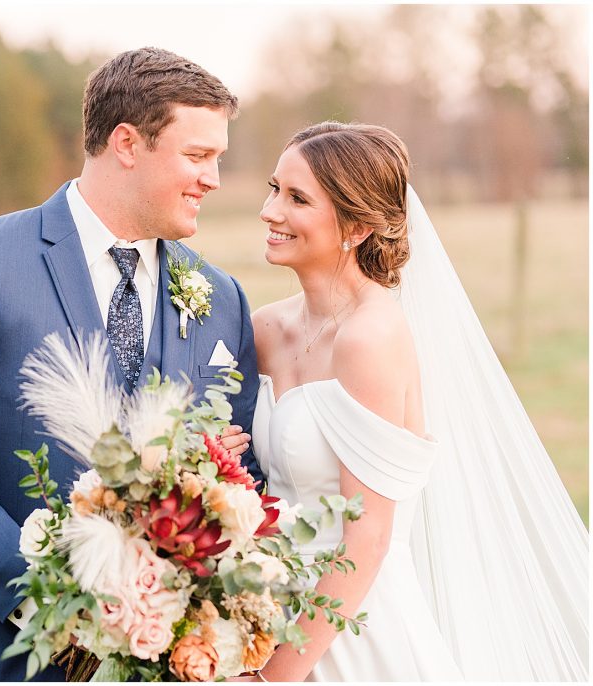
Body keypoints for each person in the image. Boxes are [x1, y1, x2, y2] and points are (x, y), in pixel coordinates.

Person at [0, 47, 262, 682]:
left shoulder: (220, 299)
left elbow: (242, 479)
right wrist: (67, 606)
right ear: (125, 143)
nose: (214, 179)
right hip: (0, 655)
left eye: (218, 159)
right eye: (197, 157)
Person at [248, 121, 588, 681]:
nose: (269, 210)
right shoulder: (265, 329)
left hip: (353, 630)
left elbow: (369, 535)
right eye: (273, 188)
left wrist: (273, 676)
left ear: (356, 227)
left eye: (297, 198)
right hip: (264, 612)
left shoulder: (369, 338)